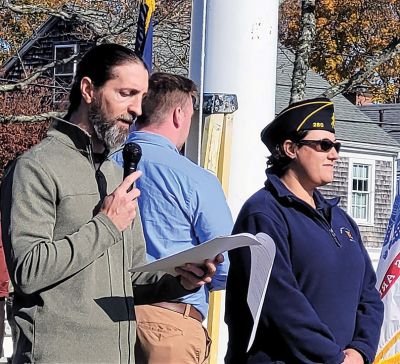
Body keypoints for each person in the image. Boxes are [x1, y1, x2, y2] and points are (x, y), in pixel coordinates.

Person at [0, 44, 221, 364]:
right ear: (88, 89)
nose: (136, 110)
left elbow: (130, 279)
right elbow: (28, 271)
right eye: (126, 93)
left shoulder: (116, 173)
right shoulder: (35, 167)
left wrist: (178, 281)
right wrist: (106, 223)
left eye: (141, 97)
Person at [225, 97, 384, 364]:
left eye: (335, 145)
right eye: (323, 145)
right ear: (290, 148)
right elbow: (278, 303)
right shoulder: (264, 213)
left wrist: (359, 351)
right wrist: (334, 358)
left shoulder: (341, 220)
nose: (334, 154)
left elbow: (369, 295)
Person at [114, 72, 233, 364]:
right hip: (169, 325)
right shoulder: (194, 179)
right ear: (179, 114)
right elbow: (227, 264)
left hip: (106, 319)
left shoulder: (100, 164)